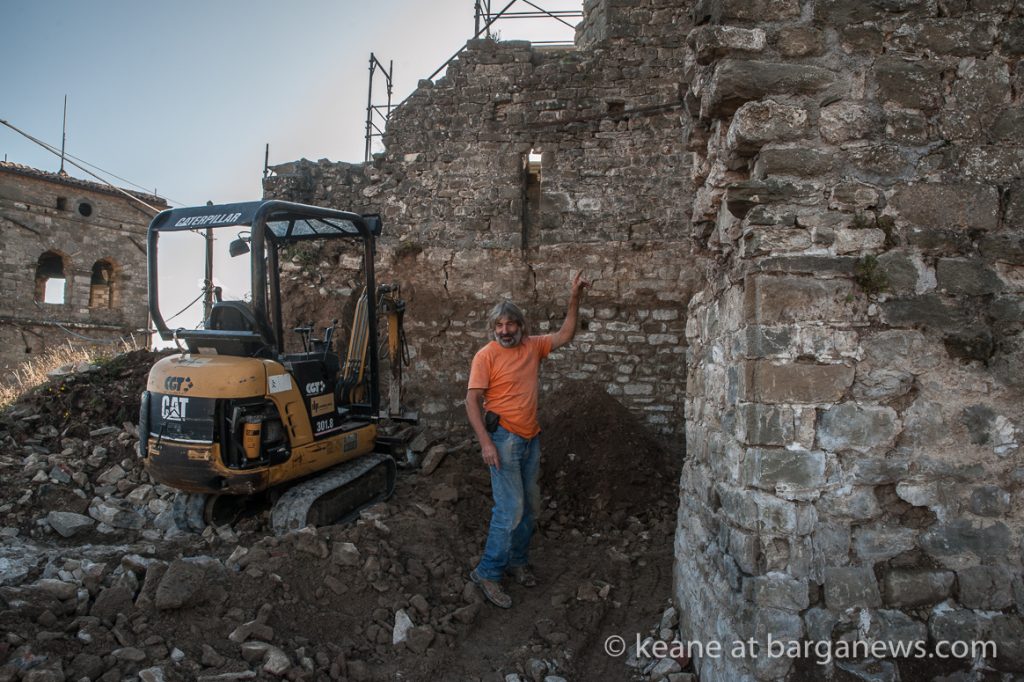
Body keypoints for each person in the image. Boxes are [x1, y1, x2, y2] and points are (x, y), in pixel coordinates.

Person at [466, 271, 590, 608]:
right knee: (510, 509)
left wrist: (574, 296)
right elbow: (472, 401)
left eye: (510, 325)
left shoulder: (534, 346)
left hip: (530, 438)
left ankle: (518, 562)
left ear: (521, 325)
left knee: (530, 508)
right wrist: (486, 444)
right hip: (503, 439)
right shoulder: (486, 356)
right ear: (493, 329)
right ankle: (488, 572)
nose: (505, 331)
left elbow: (566, 333)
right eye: (499, 326)